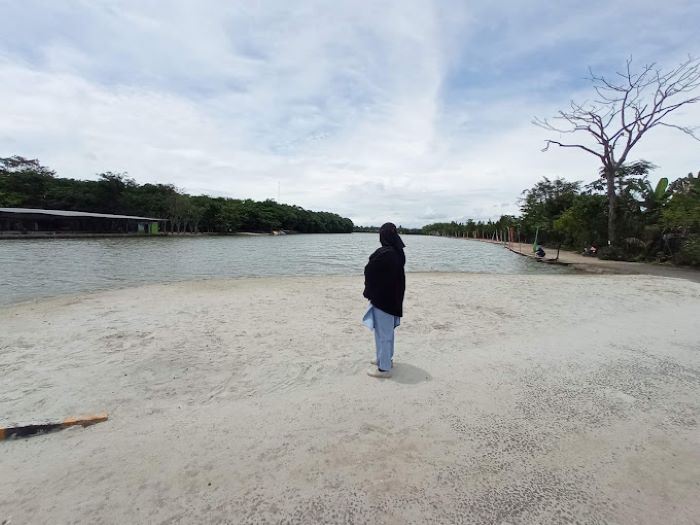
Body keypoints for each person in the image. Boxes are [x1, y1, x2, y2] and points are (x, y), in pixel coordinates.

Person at [362, 222, 406, 379]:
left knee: (384, 333)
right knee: (384, 332)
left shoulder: (387, 253)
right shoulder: (397, 251)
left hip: (384, 299)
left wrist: (369, 291)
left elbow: (370, 270)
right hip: (391, 297)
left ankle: (384, 368)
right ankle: (385, 358)